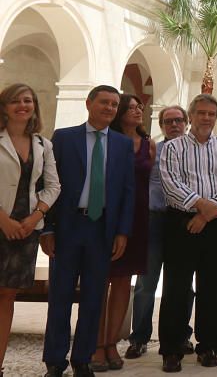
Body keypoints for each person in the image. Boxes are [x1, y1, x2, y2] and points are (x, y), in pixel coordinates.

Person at [42, 85, 135, 377]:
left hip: (102, 229)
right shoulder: (64, 138)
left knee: (95, 298)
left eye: (114, 104)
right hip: (68, 228)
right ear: (88, 103)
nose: (109, 108)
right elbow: (48, 183)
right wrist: (46, 228)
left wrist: (122, 231)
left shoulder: (122, 144)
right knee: (60, 296)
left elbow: (128, 191)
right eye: (104, 102)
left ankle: (83, 359)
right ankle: (55, 361)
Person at [158, 93, 217, 373]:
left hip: (213, 225)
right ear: (190, 116)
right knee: (176, 288)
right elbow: (171, 183)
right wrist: (200, 205)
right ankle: (171, 349)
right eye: (201, 113)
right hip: (181, 222)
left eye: (211, 114)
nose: (206, 118)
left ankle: (207, 346)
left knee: (212, 288)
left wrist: (206, 214)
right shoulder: (173, 147)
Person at [0, 83, 60, 377]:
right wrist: (4, 220)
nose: (22, 105)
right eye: (15, 101)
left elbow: (53, 186)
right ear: (4, 107)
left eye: (28, 100)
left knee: (7, 296)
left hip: (26, 230)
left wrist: (35, 216)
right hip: (2, 224)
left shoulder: (43, 144)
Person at [92, 94, 154, 371]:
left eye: (139, 107)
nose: (137, 111)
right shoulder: (109, 140)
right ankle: (95, 343)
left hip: (139, 217)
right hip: (106, 214)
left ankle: (111, 343)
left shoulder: (149, 145)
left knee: (122, 283)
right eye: (131, 108)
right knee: (100, 280)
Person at [126, 106, 194, 360]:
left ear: (186, 123)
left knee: (183, 284)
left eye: (178, 120)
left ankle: (181, 335)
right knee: (146, 282)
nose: (174, 124)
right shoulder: (154, 148)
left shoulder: (193, 150)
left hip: (182, 221)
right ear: (162, 125)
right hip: (154, 220)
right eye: (168, 121)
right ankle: (139, 337)